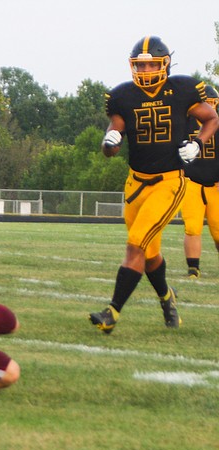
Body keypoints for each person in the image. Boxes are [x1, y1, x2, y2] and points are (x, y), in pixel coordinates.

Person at [90, 36, 219, 334]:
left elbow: (212, 118)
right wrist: (109, 142)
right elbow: (112, 141)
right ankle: (166, 298)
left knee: (135, 244)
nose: (146, 70)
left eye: (151, 64)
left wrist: (198, 143)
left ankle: (112, 312)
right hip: (135, 184)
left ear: (165, 64)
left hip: (169, 183)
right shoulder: (123, 96)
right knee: (148, 254)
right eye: (141, 65)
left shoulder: (183, 89)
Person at [180, 85, 219, 279]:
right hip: (191, 182)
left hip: (215, 185)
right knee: (192, 226)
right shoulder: (183, 123)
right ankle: (193, 268)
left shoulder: (216, 123)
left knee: (218, 228)